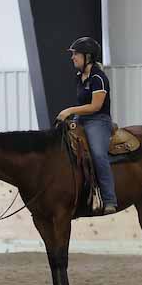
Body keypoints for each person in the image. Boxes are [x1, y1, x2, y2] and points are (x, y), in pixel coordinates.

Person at [56, 36, 118, 215]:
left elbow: (95, 106)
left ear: (88, 57)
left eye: (76, 54)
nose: (72, 57)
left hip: (98, 120)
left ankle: (109, 199)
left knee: (98, 155)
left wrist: (69, 111)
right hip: (81, 119)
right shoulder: (79, 77)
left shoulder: (98, 77)